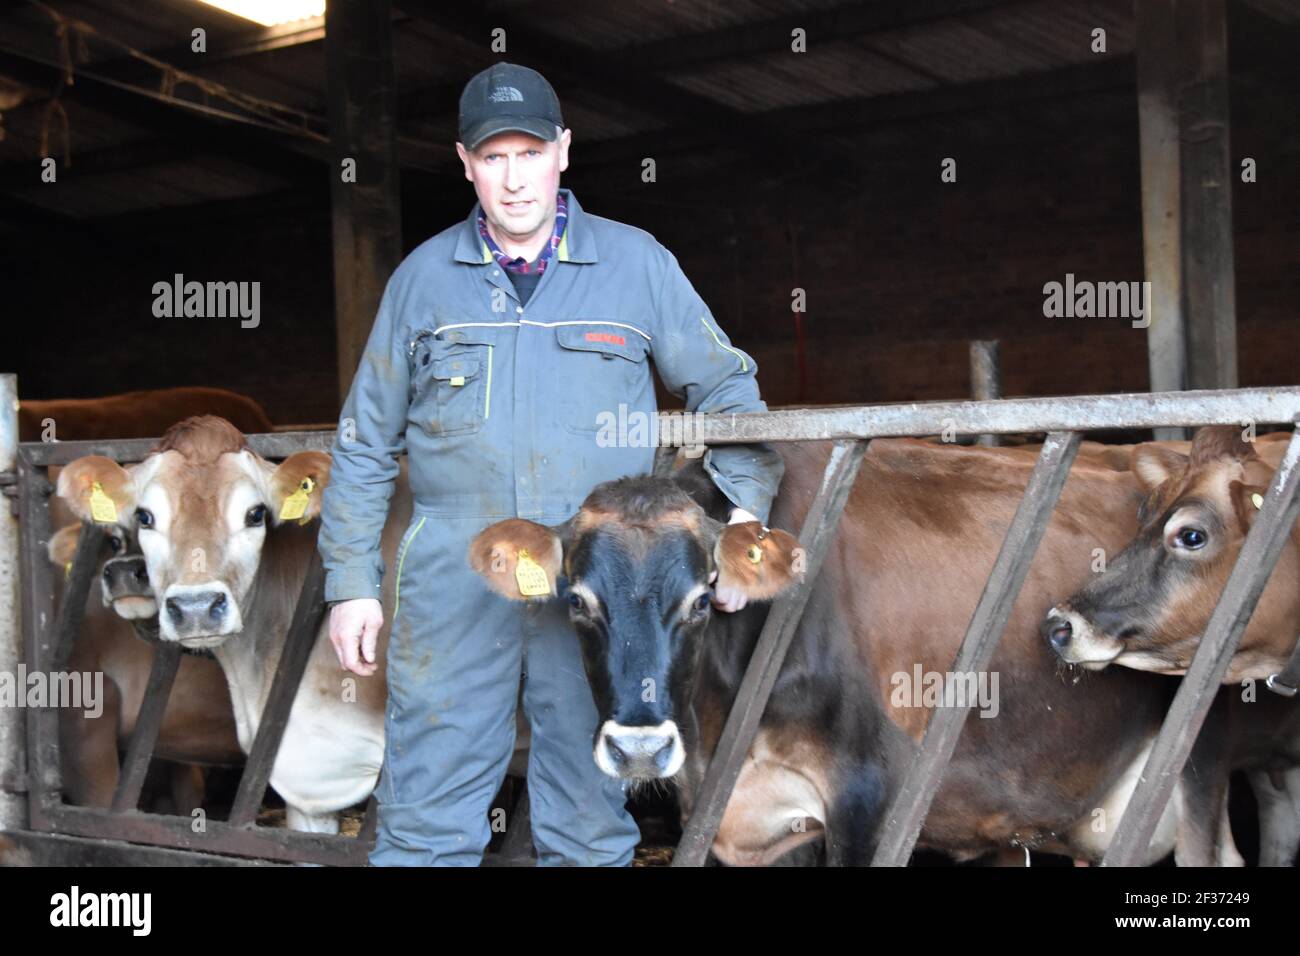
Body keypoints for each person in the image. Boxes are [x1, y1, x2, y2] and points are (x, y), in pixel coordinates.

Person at [318, 62, 784, 866]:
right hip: (454, 581)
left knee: (589, 817)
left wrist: (741, 515)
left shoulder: (635, 265)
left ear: (563, 151)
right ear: (465, 164)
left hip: (608, 582)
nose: (513, 178)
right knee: (425, 815)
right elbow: (364, 442)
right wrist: (351, 582)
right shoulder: (422, 281)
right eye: (492, 158)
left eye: (528, 153)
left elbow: (730, 390)